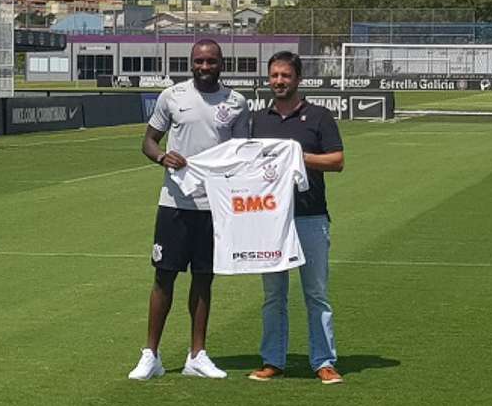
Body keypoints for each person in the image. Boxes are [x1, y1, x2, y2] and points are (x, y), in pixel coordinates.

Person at [128, 39, 250, 380]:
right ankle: (150, 355)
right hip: (175, 203)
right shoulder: (172, 97)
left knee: (204, 279)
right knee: (164, 276)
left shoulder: (237, 102)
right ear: (191, 63)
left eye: (211, 61)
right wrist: (161, 156)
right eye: (199, 61)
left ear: (221, 64)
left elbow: (241, 154)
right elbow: (148, 141)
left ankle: (197, 355)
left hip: (215, 207)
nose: (205, 67)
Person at [248, 50, 345, 385]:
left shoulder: (319, 117)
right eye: (274, 75)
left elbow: (337, 161)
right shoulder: (258, 120)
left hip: (310, 217)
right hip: (269, 221)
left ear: (298, 79)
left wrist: (298, 157)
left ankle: (324, 361)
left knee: (315, 293)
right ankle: (273, 360)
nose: (279, 81)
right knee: (273, 295)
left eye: (285, 76)